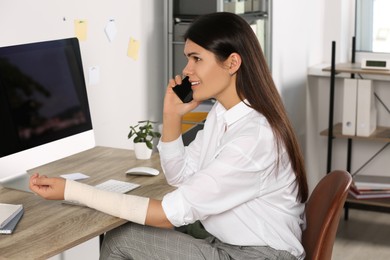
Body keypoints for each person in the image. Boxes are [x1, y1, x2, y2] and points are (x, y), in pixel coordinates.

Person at [30, 12, 308, 260]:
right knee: (130, 233)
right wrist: (172, 117)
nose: (187, 70)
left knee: (121, 240)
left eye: (196, 58)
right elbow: (181, 177)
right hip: (232, 243)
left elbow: (166, 215)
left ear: (232, 63)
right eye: (188, 58)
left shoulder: (253, 137)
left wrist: (71, 190)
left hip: (261, 255)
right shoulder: (222, 115)